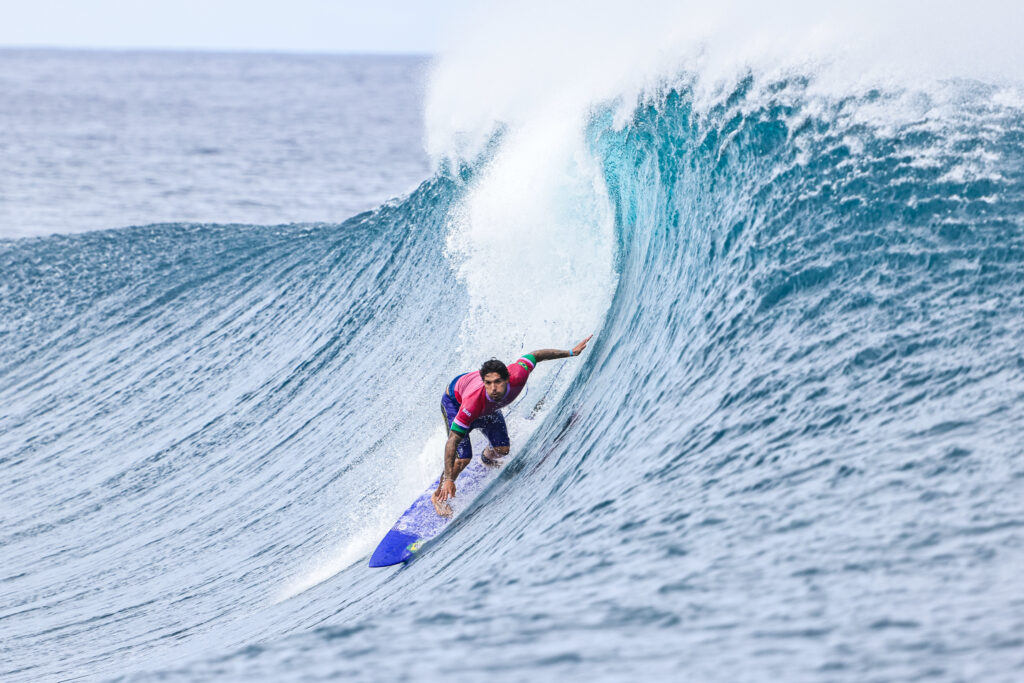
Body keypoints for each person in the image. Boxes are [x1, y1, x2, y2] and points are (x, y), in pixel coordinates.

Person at [432, 335, 593, 516]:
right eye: (488, 383)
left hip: (487, 409)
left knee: (502, 450)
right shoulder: (471, 403)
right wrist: (448, 478)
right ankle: (438, 498)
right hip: (455, 400)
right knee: (463, 458)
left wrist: (571, 352)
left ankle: (486, 458)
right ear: (484, 382)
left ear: (507, 379)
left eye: (498, 382)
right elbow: (452, 441)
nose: (493, 388)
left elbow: (536, 355)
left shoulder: (518, 373)